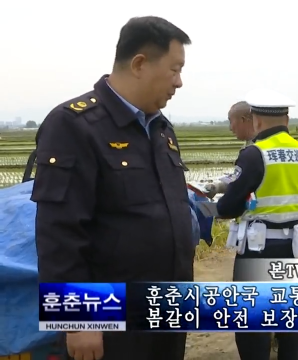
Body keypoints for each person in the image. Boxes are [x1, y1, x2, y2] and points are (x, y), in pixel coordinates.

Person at [31, 16, 192, 360]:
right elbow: (58, 232)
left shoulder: (161, 130)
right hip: (108, 316)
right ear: (139, 64)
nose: (179, 82)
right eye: (174, 69)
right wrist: (77, 321)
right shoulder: (74, 125)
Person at [197, 89, 298, 360]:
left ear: (257, 121)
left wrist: (216, 206)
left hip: (259, 249)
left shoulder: (255, 153)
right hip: (293, 248)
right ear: (286, 119)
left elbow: (229, 206)